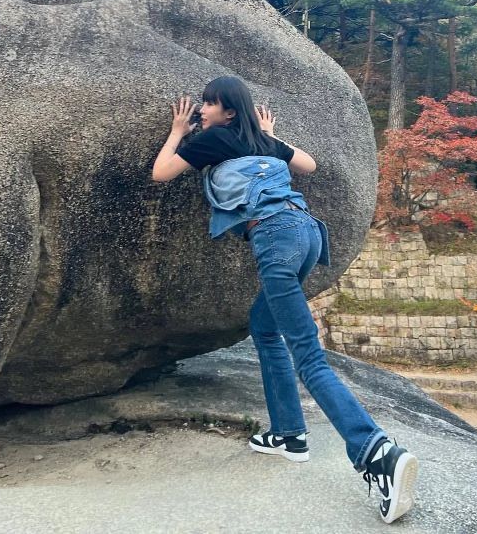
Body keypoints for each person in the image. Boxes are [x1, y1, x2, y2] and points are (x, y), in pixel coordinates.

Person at [152, 76, 418, 525]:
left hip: (275, 238)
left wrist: (178, 131)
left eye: (208, 104)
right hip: (307, 234)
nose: (201, 109)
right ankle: (289, 435)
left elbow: (160, 173)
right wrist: (271, 135)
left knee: (309, 357)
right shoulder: (263, 142)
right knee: (265, 326)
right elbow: (309, 164)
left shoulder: (213, 139)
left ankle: (376, 453)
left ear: (228, 112)